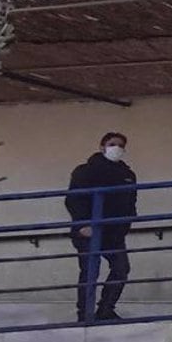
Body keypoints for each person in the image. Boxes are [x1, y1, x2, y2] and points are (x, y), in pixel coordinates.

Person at [65, 132, 137, 323]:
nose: (117, 148)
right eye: (113, 144)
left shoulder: (127, 174)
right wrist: (82, 224)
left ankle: (106, 309)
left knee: (121, 269)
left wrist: (126, 223)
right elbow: (74, 199)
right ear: (102, 146)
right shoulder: (85, 171)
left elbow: (131, 201)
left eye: (121, 145)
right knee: (90, 272)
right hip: (89, 231)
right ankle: (85, 314)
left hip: (114, 233)